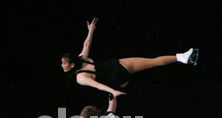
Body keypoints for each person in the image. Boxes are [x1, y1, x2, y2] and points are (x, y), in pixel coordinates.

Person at [61, 18, 199, 98]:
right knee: (153, 62)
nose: (62, 65)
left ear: (72, 64)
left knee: (152, 63)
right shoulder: (80, 76)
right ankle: (182, 58)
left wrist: (91, 30)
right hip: (118, 71)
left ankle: (184, 58)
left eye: (63, 63)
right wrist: (113, 92)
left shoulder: (82, 61)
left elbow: (86, 44)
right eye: (63, 63)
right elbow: (97, 85)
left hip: (118, 73)